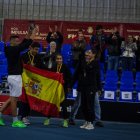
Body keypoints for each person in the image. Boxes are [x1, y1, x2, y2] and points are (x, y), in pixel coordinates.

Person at [0, 26, 37, 128]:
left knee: (12, 98)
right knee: (14, 99)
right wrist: (34, 32)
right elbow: (29, 42)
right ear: (11, 41)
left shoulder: (11, 48)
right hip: (15, 77)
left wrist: (29, 32)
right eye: (16, 41)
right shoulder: (14, 49)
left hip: (13, 77)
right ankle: (15, 121)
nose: (18, 42)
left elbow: (24, 41)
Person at [69, 51, 103, 127]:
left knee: (96, 103)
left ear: (93, 55)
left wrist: (99, 88)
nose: (87, 56)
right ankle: (71, 118)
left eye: (89, 54)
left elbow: (98, 76)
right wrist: (70, 85)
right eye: (86, 55)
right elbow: (75, 75)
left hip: (92, 87)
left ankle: (98, 120)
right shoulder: (81, 62)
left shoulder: (96, 63)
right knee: (78, 103)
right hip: (82, 86)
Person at [43, 54, 72, 127]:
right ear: (55, 60)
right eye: (58, 59)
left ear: (62, 59)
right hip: (54, 89)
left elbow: (70, 78)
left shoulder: (65, 67)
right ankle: (47, 119)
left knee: (64, 105)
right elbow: (49, 77)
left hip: (63, 89)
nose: (59, 60)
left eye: (60, 58)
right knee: (51, 104)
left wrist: (66, 83)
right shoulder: (53, 67)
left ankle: (65, 120)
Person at [18, 42, 40, 125]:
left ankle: (26, 116)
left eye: (38, 50)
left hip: (34, 82)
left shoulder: (38, 57)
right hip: (24, 81)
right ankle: (23, 117)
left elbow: (42, 68)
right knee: (24, 99)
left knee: (30, 99)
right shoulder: (23, 56)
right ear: (31, 48)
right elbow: (19, 67)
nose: (37, 51)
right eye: (35, 49)